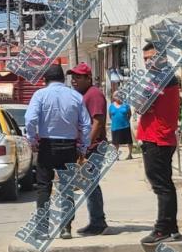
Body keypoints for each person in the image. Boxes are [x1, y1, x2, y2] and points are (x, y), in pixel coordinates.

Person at [25, 64, 91, 240]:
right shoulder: (76, 96)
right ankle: (66, 228)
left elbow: (30, 119)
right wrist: (83, 147)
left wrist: (32, 140)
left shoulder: (40, 95)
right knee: (67, 188)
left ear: (45, 80)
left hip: (47, 145)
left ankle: (42, 229)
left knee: (43, 188)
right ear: (64, 79)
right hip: (69, 146)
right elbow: (86, 124)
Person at [137, 42, 181, 244]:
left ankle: (162, 229)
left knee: (161, 185)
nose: (148, 62)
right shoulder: (167, 77)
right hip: (161, 137)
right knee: (165, 184)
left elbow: (140, 106)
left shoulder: (160, 79)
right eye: (145, 59)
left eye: (151, 58)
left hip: (157, 138)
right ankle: (171, 228)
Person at [68, 62, 109, 236]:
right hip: (88, 146)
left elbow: (98, 123)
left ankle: (98, 222)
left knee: (90, 185)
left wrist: (85, 147)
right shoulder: (83, 94)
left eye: (78, 77)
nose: (74, 80)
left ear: (88, 78)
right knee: (88, 184)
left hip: (94, 147)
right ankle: (97, 220)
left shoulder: (94, 95)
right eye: (73, 77)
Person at [109, 92, 134, 160]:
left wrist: (126, 120)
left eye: (119, 95)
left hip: (125, 126)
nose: (117, 96)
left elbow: (129, 114)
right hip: (115, 126)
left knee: (129, 141)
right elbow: (110, 116)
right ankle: (116, 156)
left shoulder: (126, 105)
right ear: (113, 97)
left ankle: (130, 154)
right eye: (116, 95)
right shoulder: (111, 106)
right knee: (115, 142)